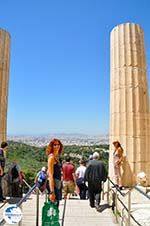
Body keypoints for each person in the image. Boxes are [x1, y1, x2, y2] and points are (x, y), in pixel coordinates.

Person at [46, 138, 63, 206]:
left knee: (56, 207)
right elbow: (50, 175)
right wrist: (52, 192)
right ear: (51, 146)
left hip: (57, 184)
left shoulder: (57, 156)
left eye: (58, 144)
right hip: (53, 185)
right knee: (52, 208)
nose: (57, 146)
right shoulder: (51, 158)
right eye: (54, 145)